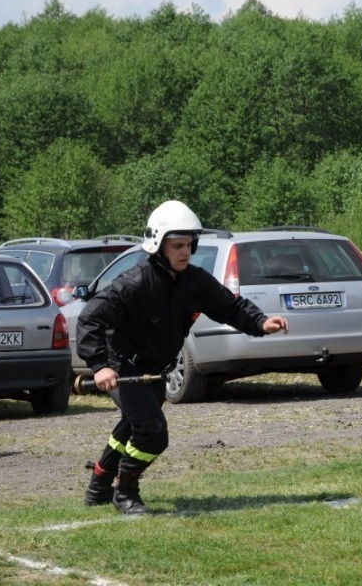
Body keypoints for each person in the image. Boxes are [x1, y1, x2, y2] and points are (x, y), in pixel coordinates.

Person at [78, 200, 288, 514]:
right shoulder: (133, 284)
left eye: (189, 245)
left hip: (156, 370)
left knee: (132, 425)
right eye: (177, 246)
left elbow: (229, 306)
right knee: (152, 432)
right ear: (157, 245)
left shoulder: (196, 281)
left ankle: (98, 486)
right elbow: (90, 319)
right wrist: (100, 366)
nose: (185, 252)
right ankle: (126, 494)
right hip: (124, 367)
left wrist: (259, 322)